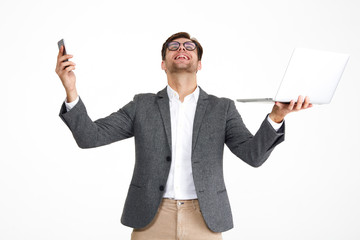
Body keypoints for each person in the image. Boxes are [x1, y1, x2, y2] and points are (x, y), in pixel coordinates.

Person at [55, 32, 312, 240]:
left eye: (189, 46)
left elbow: (252, 155)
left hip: (204, 219)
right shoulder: (141, 105)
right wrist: (71, 89)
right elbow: (90, 137)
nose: (182, 48)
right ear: (163, 63)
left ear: (199, 64)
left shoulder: (222, 108)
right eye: (173, 46)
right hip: (151, 219)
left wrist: (277, 116)